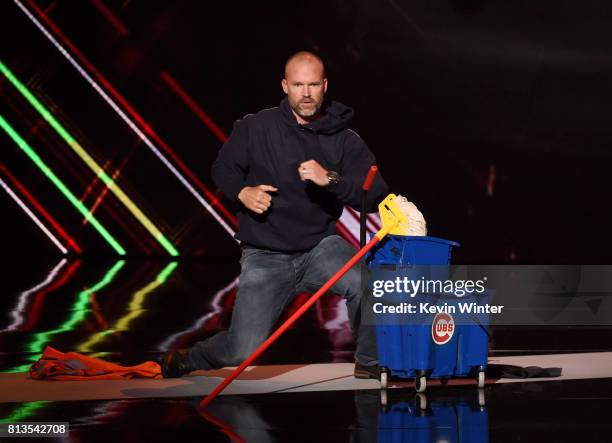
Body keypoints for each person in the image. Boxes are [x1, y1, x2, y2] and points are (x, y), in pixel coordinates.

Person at [161, 50, 388, 379]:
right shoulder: (256, 127)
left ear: (325, 86)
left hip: (319, 247)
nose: (306, 93)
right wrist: (243, 191)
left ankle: (371, 362)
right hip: (265, 254)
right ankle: (191, 358)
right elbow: (223, 168)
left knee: (365, 279)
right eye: (298, 85)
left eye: (313, 85)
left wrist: (331, 179)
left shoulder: (343, 138)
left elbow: (375, 190)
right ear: (285, 86)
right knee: (242, 351)